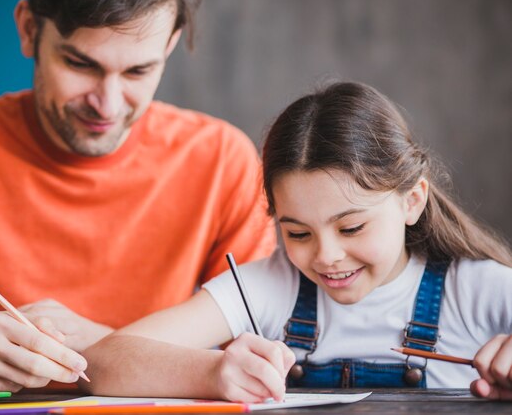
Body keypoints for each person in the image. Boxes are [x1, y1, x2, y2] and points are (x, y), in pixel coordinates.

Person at [0, 0, 276, 391]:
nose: (106, 105)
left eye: (139, 70)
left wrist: (109, 349)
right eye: (79, 64)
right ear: (28, 29)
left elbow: (263, 361)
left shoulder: (221, 160)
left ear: (169, 46)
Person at [80, 81, 512, 402]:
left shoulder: (475, 289)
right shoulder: (271, 286)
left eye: (351, 228)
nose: (325, 256)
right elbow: (103, 362)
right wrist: (212, 372)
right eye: (298, 233)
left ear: (412, 202)